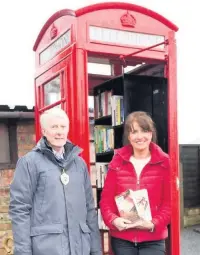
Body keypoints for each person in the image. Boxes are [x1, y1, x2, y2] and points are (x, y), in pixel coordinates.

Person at [9, 108, 102, 255]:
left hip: (80, 248)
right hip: (46, 248)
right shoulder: (29, 163)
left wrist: (96, 251)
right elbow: (20, 210)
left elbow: (89, 209)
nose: (59, 132)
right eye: (54, 127)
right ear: (44, 131)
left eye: (63, 127)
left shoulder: (79, 164)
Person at [100, 111, 171, 255]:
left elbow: (169, 204)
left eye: (144, 131)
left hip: (153, 239)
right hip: (122, 240)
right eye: (134, 132)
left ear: (151, 134)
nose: (140, 137)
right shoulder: (117, 161)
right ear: (128, 136)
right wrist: (114, 221)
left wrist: (153, 224)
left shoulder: (164, 162)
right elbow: (105, 201)